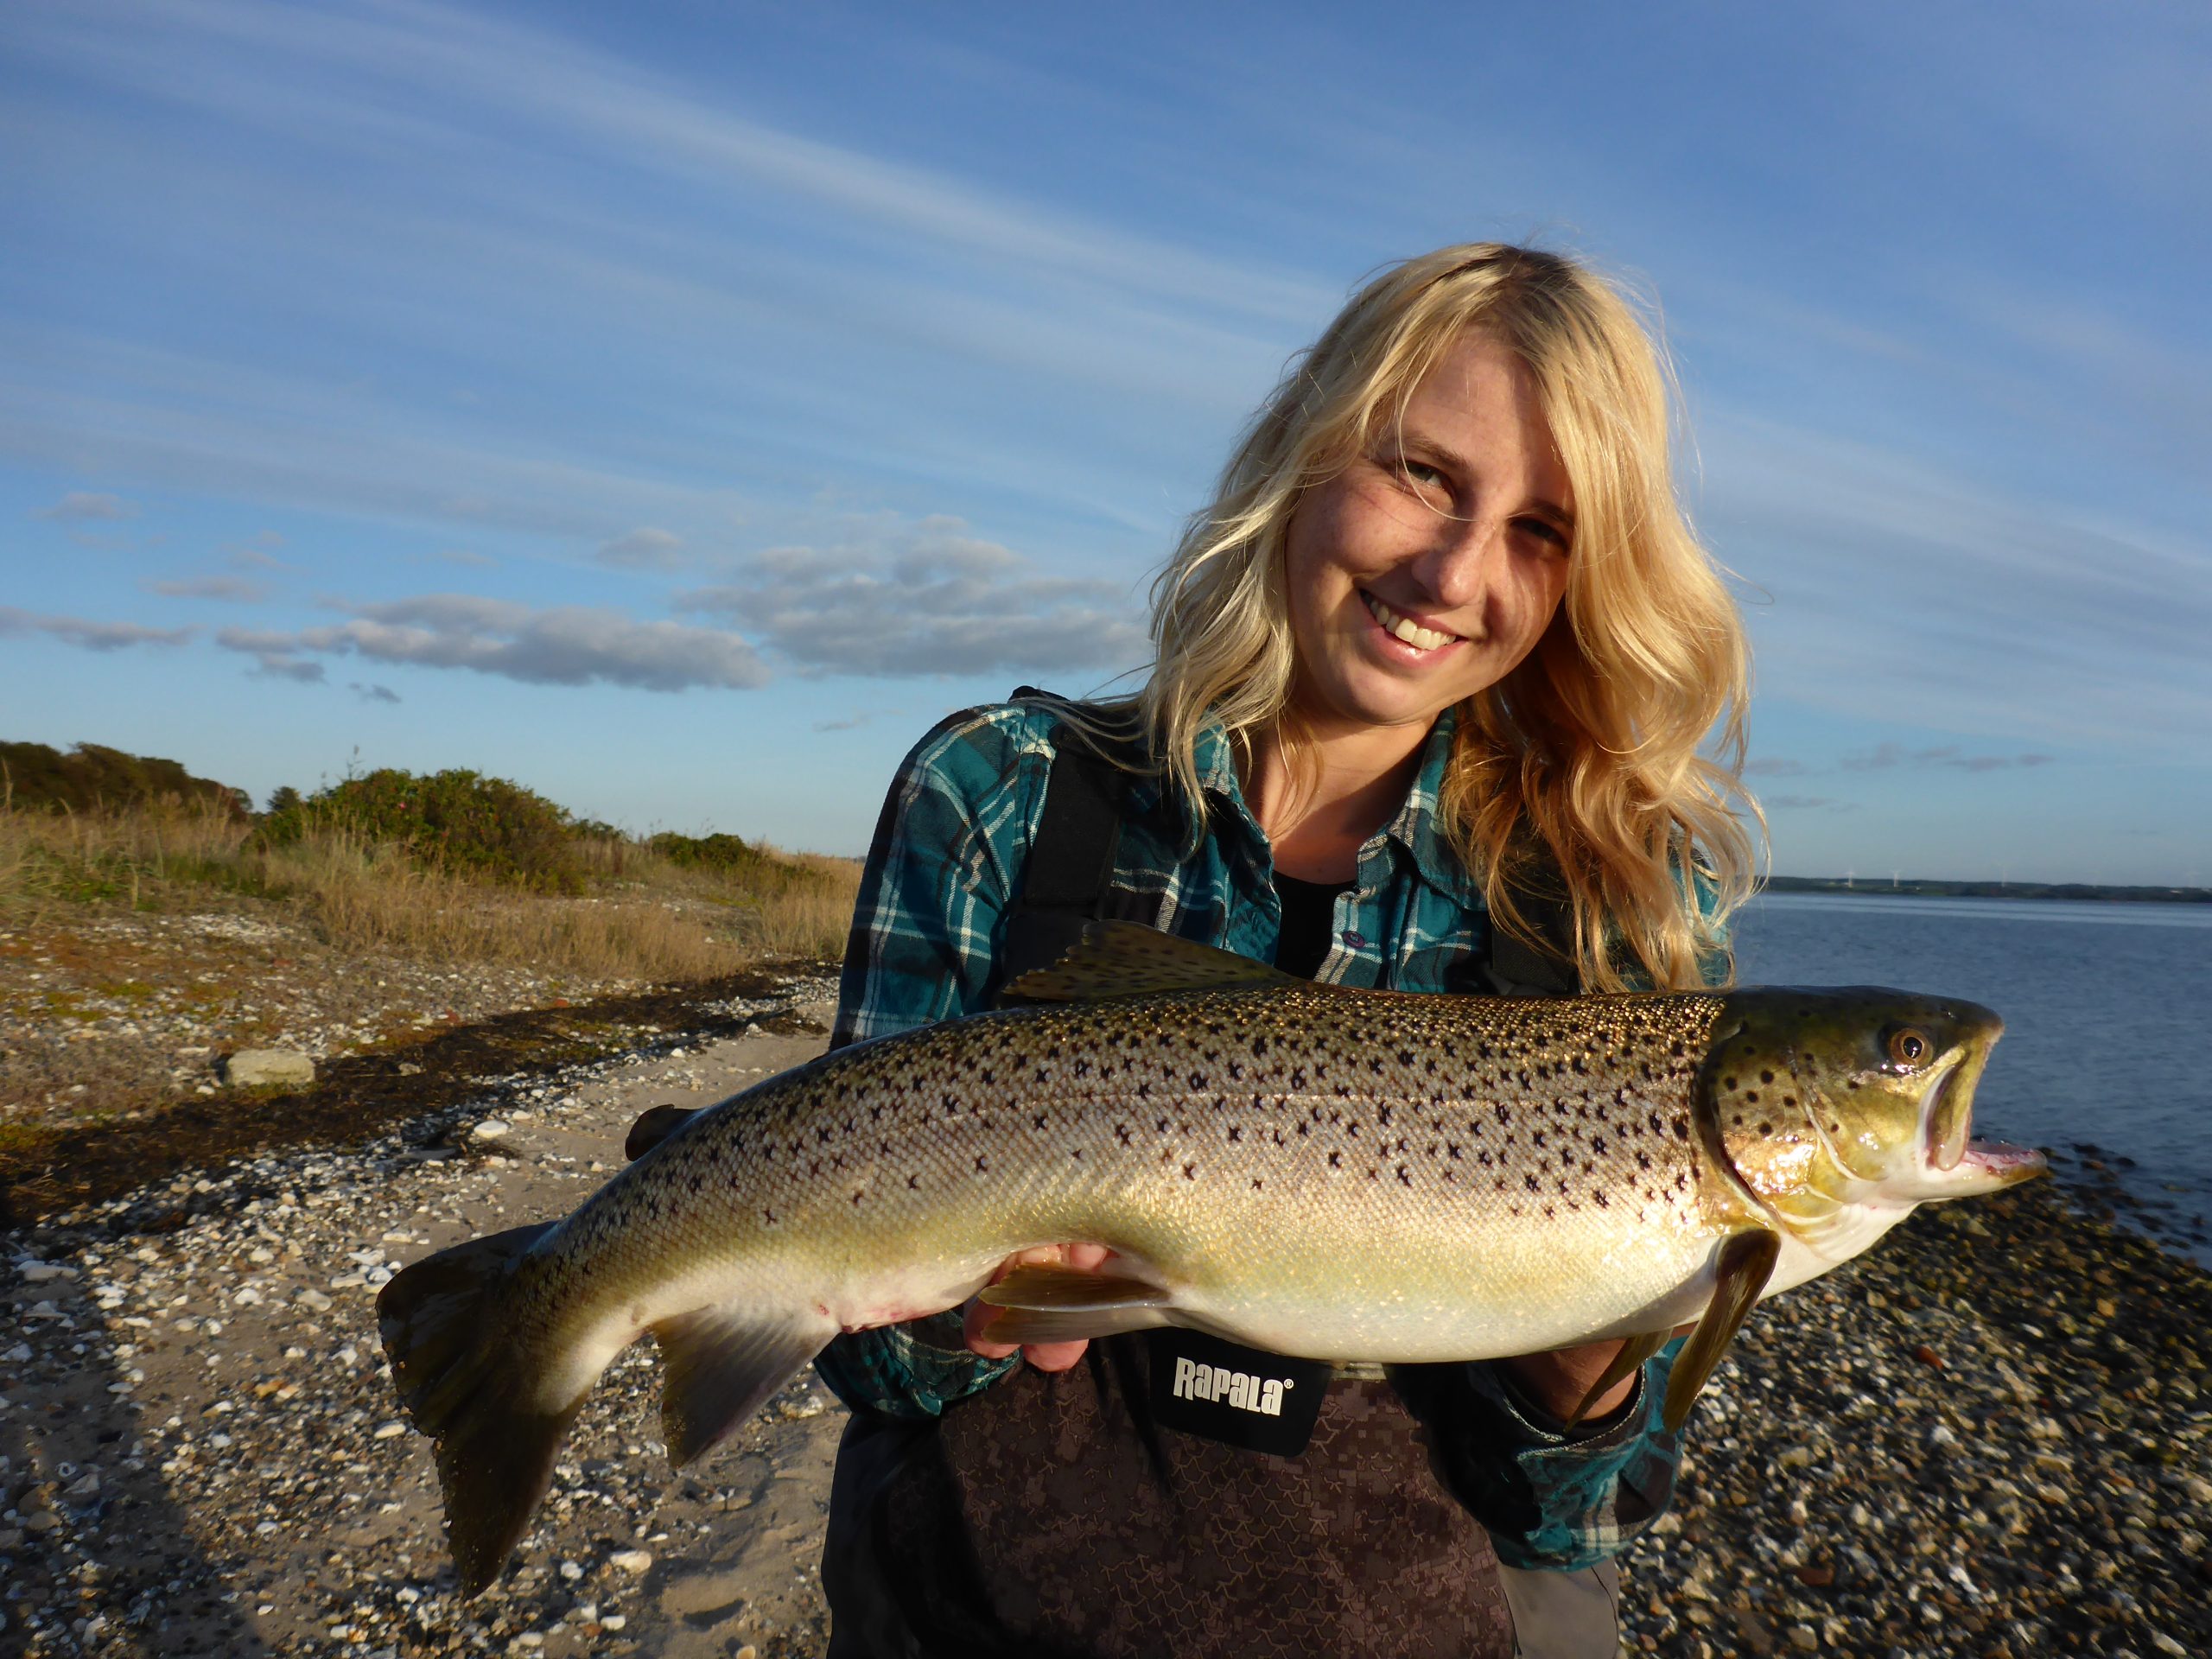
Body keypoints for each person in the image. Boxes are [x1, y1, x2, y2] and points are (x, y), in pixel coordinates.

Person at [809, 243, 1758, 1657]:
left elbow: (1570, 1526)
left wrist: (1581, 1391)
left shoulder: (1615, 897)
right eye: (1424, 474)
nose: (1453, 571)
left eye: (1540, 529)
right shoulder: (1002, 793)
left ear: (1583, 580)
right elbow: (875, 1370)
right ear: (1304, 450)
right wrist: (979, 1313)